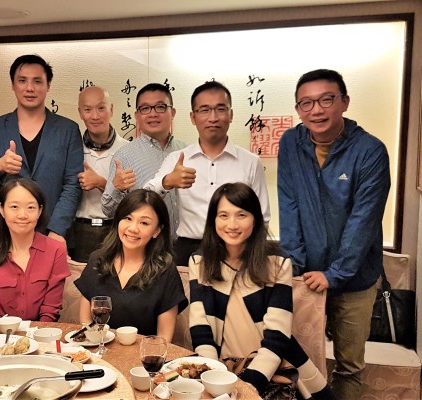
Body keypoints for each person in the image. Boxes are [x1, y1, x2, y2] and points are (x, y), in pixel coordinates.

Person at [277, 69, 390, 399]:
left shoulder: (370, 150)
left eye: (326, 99)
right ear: (298, 109)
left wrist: (335, 273)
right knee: (299, 360)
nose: (316, 110)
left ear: (344, 102)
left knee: (349, 365)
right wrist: (295, 268)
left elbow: (363, 220)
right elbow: (289, 205)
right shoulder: (291, 143)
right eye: (306, 103)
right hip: (305, 276)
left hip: (355, 279)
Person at [189, 183, 334, 399]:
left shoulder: (277, 262)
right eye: (223, 215)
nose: (232, 224)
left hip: (275, 366)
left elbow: (277, 337)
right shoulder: (200, 262)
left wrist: (250, 384)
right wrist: (212, 375)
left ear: (255, 219)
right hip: (221, 366)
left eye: (241, 215)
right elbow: (201, 331)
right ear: (213, 220)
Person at [145, 81, 270, 266]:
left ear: (231, 114)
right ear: (193, 117)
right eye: (204, 110)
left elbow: (263, 217)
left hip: (237, 250)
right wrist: (167, 181)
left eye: (220, 109)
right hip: (188, 250)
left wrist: (253, 256)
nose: (213, 117)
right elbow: (145, 196)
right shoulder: (177, 159)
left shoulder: (250, 162)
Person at [0, 54, 83, 244]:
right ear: (13, 85)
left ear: (48, 85)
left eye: (37, 81)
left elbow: (73, 184)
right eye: (22, 81)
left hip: (53, 235)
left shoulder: (68, 129)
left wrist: (57, 230)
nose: (30, 88)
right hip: (6, 235)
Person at [75, 189, 187, 342]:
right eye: (128, 218)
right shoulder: (97, 260)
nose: (133, 228)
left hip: (144, 353)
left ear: (157, 231)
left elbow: (163, 338)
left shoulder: (165, 270)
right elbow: (86, 323)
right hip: (98, 349)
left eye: (144, 223)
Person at [0, 178, 70, 322]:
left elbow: (50, 310)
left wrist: (35, 334)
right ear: (1, 209)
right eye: (14, 207)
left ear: (40, 211)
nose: (22, 215)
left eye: (31, 207)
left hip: (43, 331)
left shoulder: (56, 250)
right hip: (1, 333)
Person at [101, 83, 185, 232]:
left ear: (172, 112)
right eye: (145, 108)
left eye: (160, 107)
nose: (153, 114)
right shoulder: (124, 156)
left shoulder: (186, 151)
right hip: (146, 242)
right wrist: (117, 189)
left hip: (187, 241)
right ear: (137, 116)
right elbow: (109, 212)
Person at [70, 86, 128, 262]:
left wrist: (101, 183)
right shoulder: (72, 149)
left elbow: (135, 200)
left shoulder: (128, 150)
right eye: (88, 110)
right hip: (79, 231)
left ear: (112, 109)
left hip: (116, 230)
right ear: (80, 113)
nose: (95, 116)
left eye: (101, 108)